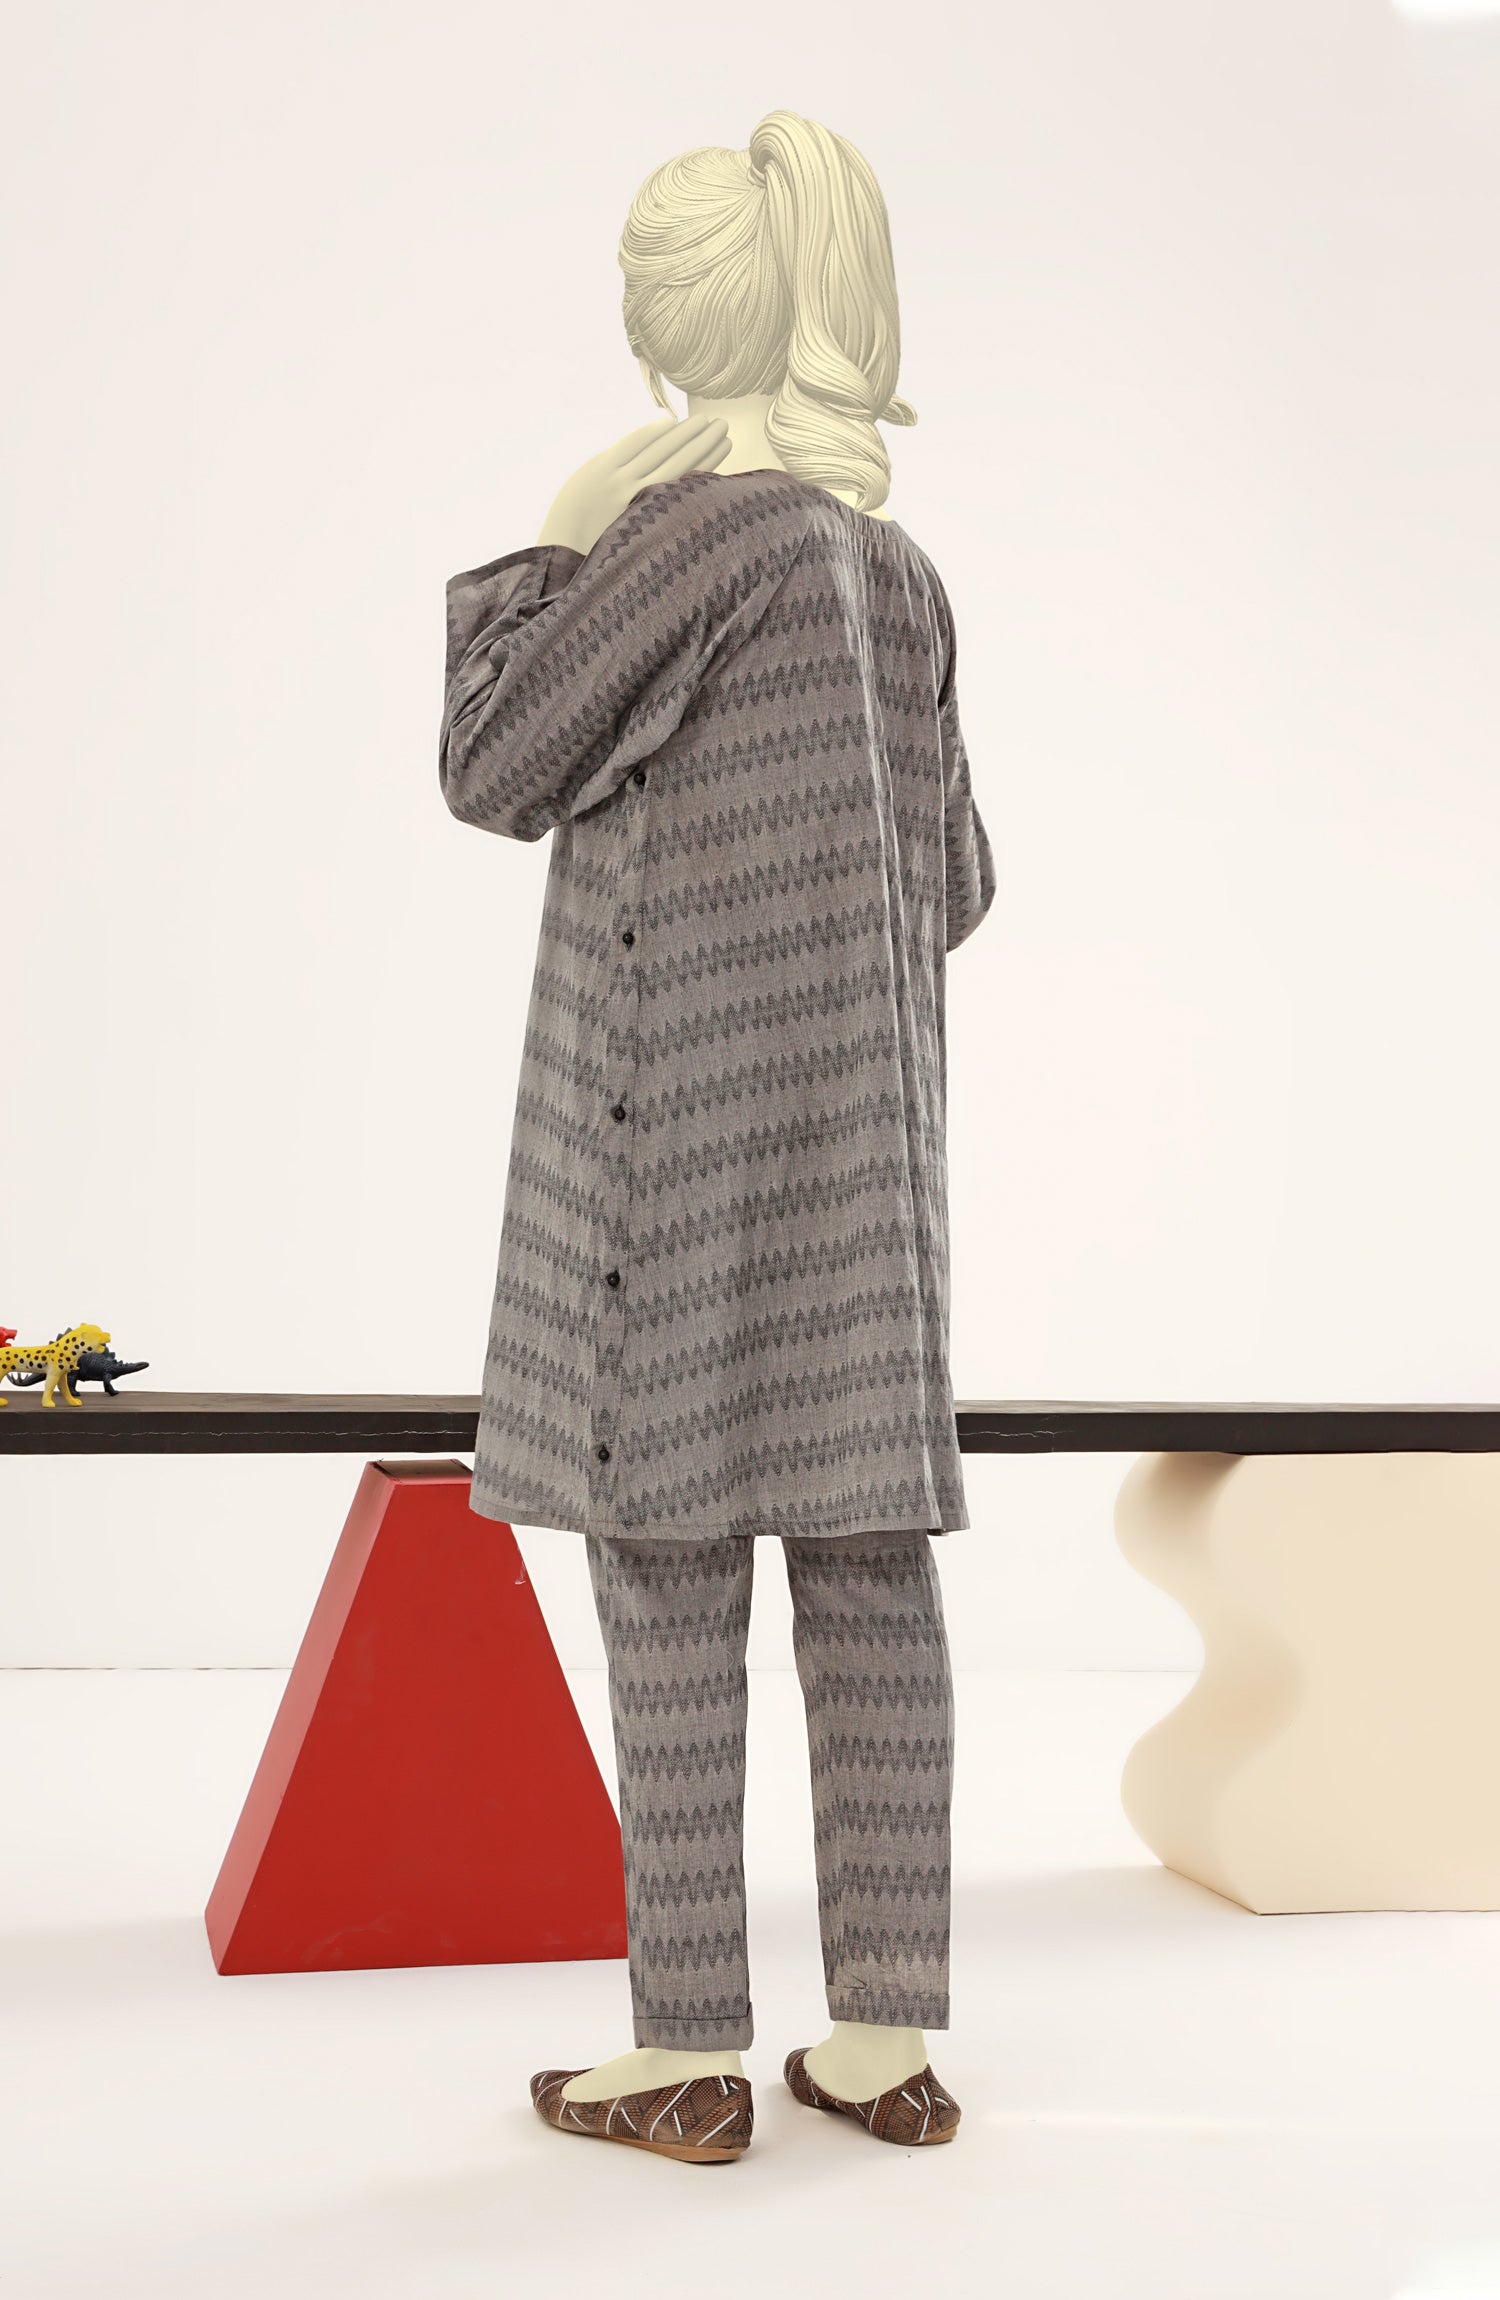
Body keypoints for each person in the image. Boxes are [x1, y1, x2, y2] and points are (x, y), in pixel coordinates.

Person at [438, 108, 995, 2165]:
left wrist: (561, 532)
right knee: (868, 1577)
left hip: (666, 1162)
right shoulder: (897, 574)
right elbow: (955, 882)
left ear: (678, 320)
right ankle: (886, 2038)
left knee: (665, 1568)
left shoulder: (680, 546)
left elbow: (494, 761)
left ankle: (684, 2045)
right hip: (865, 1184)